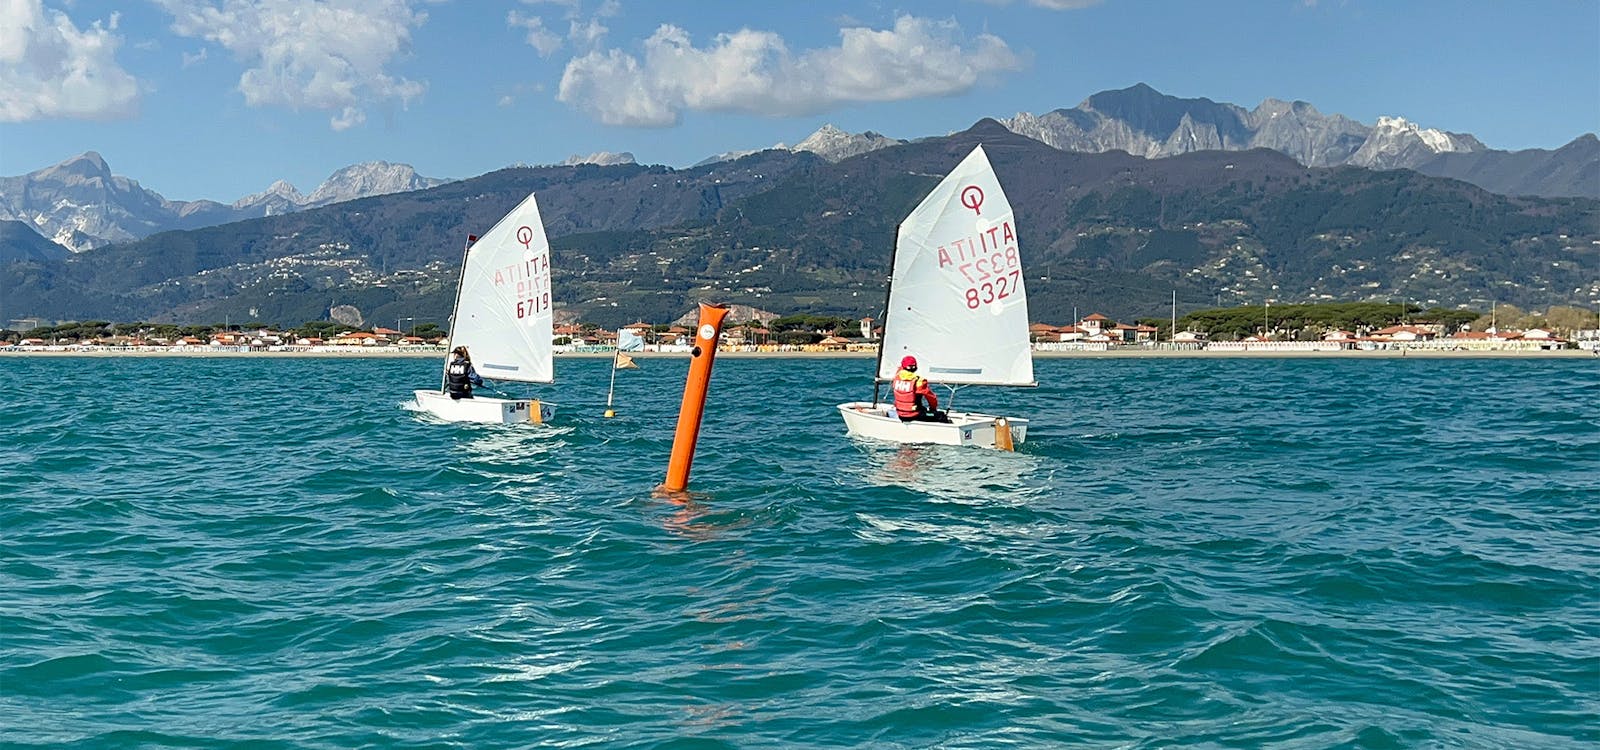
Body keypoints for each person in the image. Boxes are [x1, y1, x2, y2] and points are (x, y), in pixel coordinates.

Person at [892, 355, 949, 422]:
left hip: (900, 414)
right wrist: (933, 408)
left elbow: (900, 369)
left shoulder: (896, 377)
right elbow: (931, 397)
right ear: (915, 367)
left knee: (923, 409)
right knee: (941, 415)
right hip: (914, 415)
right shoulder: (918, 381)